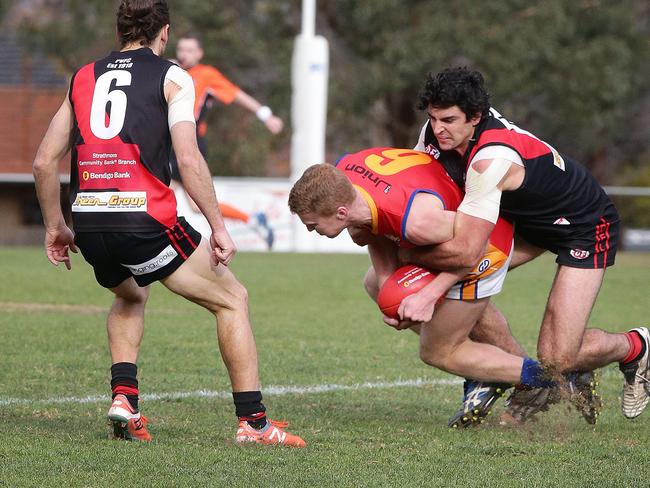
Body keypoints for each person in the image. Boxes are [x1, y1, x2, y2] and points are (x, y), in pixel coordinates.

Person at [32, 0, 304, 447]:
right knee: (233, 298)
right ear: (164, 33)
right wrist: (218, 226)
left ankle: (125, 400)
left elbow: (44, 161)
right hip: (144, 218)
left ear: (120, 31)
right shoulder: (172, 75)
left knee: (131, 293)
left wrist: (55, 226)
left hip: (90, 222)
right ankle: (254, 425)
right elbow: (189, 159)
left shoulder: (83, 75)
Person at [407, 66, 649, 421]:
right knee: (449, 279)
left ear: (476, 117)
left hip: (583, 222)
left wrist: (427, 293)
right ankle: (527, 381)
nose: (439, 128)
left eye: (449, 120)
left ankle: (636, 347)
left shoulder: (492, 158)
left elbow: (470, 250)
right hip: (523, 222)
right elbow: (422, 187)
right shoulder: (434, 133)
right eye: (433, 118)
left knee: (558, 357)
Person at [288, 148, 595, 427]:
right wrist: (388, 290)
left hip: (483, 247)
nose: (310, 230)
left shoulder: (419, 223)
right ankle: (487, 373)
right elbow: (374, 229)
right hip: (439, 234)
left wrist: (426, 295)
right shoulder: (345, 179)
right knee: (375, 284)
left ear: (341, 213)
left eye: (313, 225)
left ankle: (545, 381)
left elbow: (470, 248)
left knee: (439, 350)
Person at [170, 34, 282, 249]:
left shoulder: (206, 75)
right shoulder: (172, 71)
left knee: (159, 190)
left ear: (200, 54)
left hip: (190, 144)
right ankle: (252, 219)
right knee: (195, 205)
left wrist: (266, 115)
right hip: (173, 144)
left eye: (190, 50)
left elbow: (237, 94)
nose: (184, 54)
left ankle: (149, 241)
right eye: (181, 49)